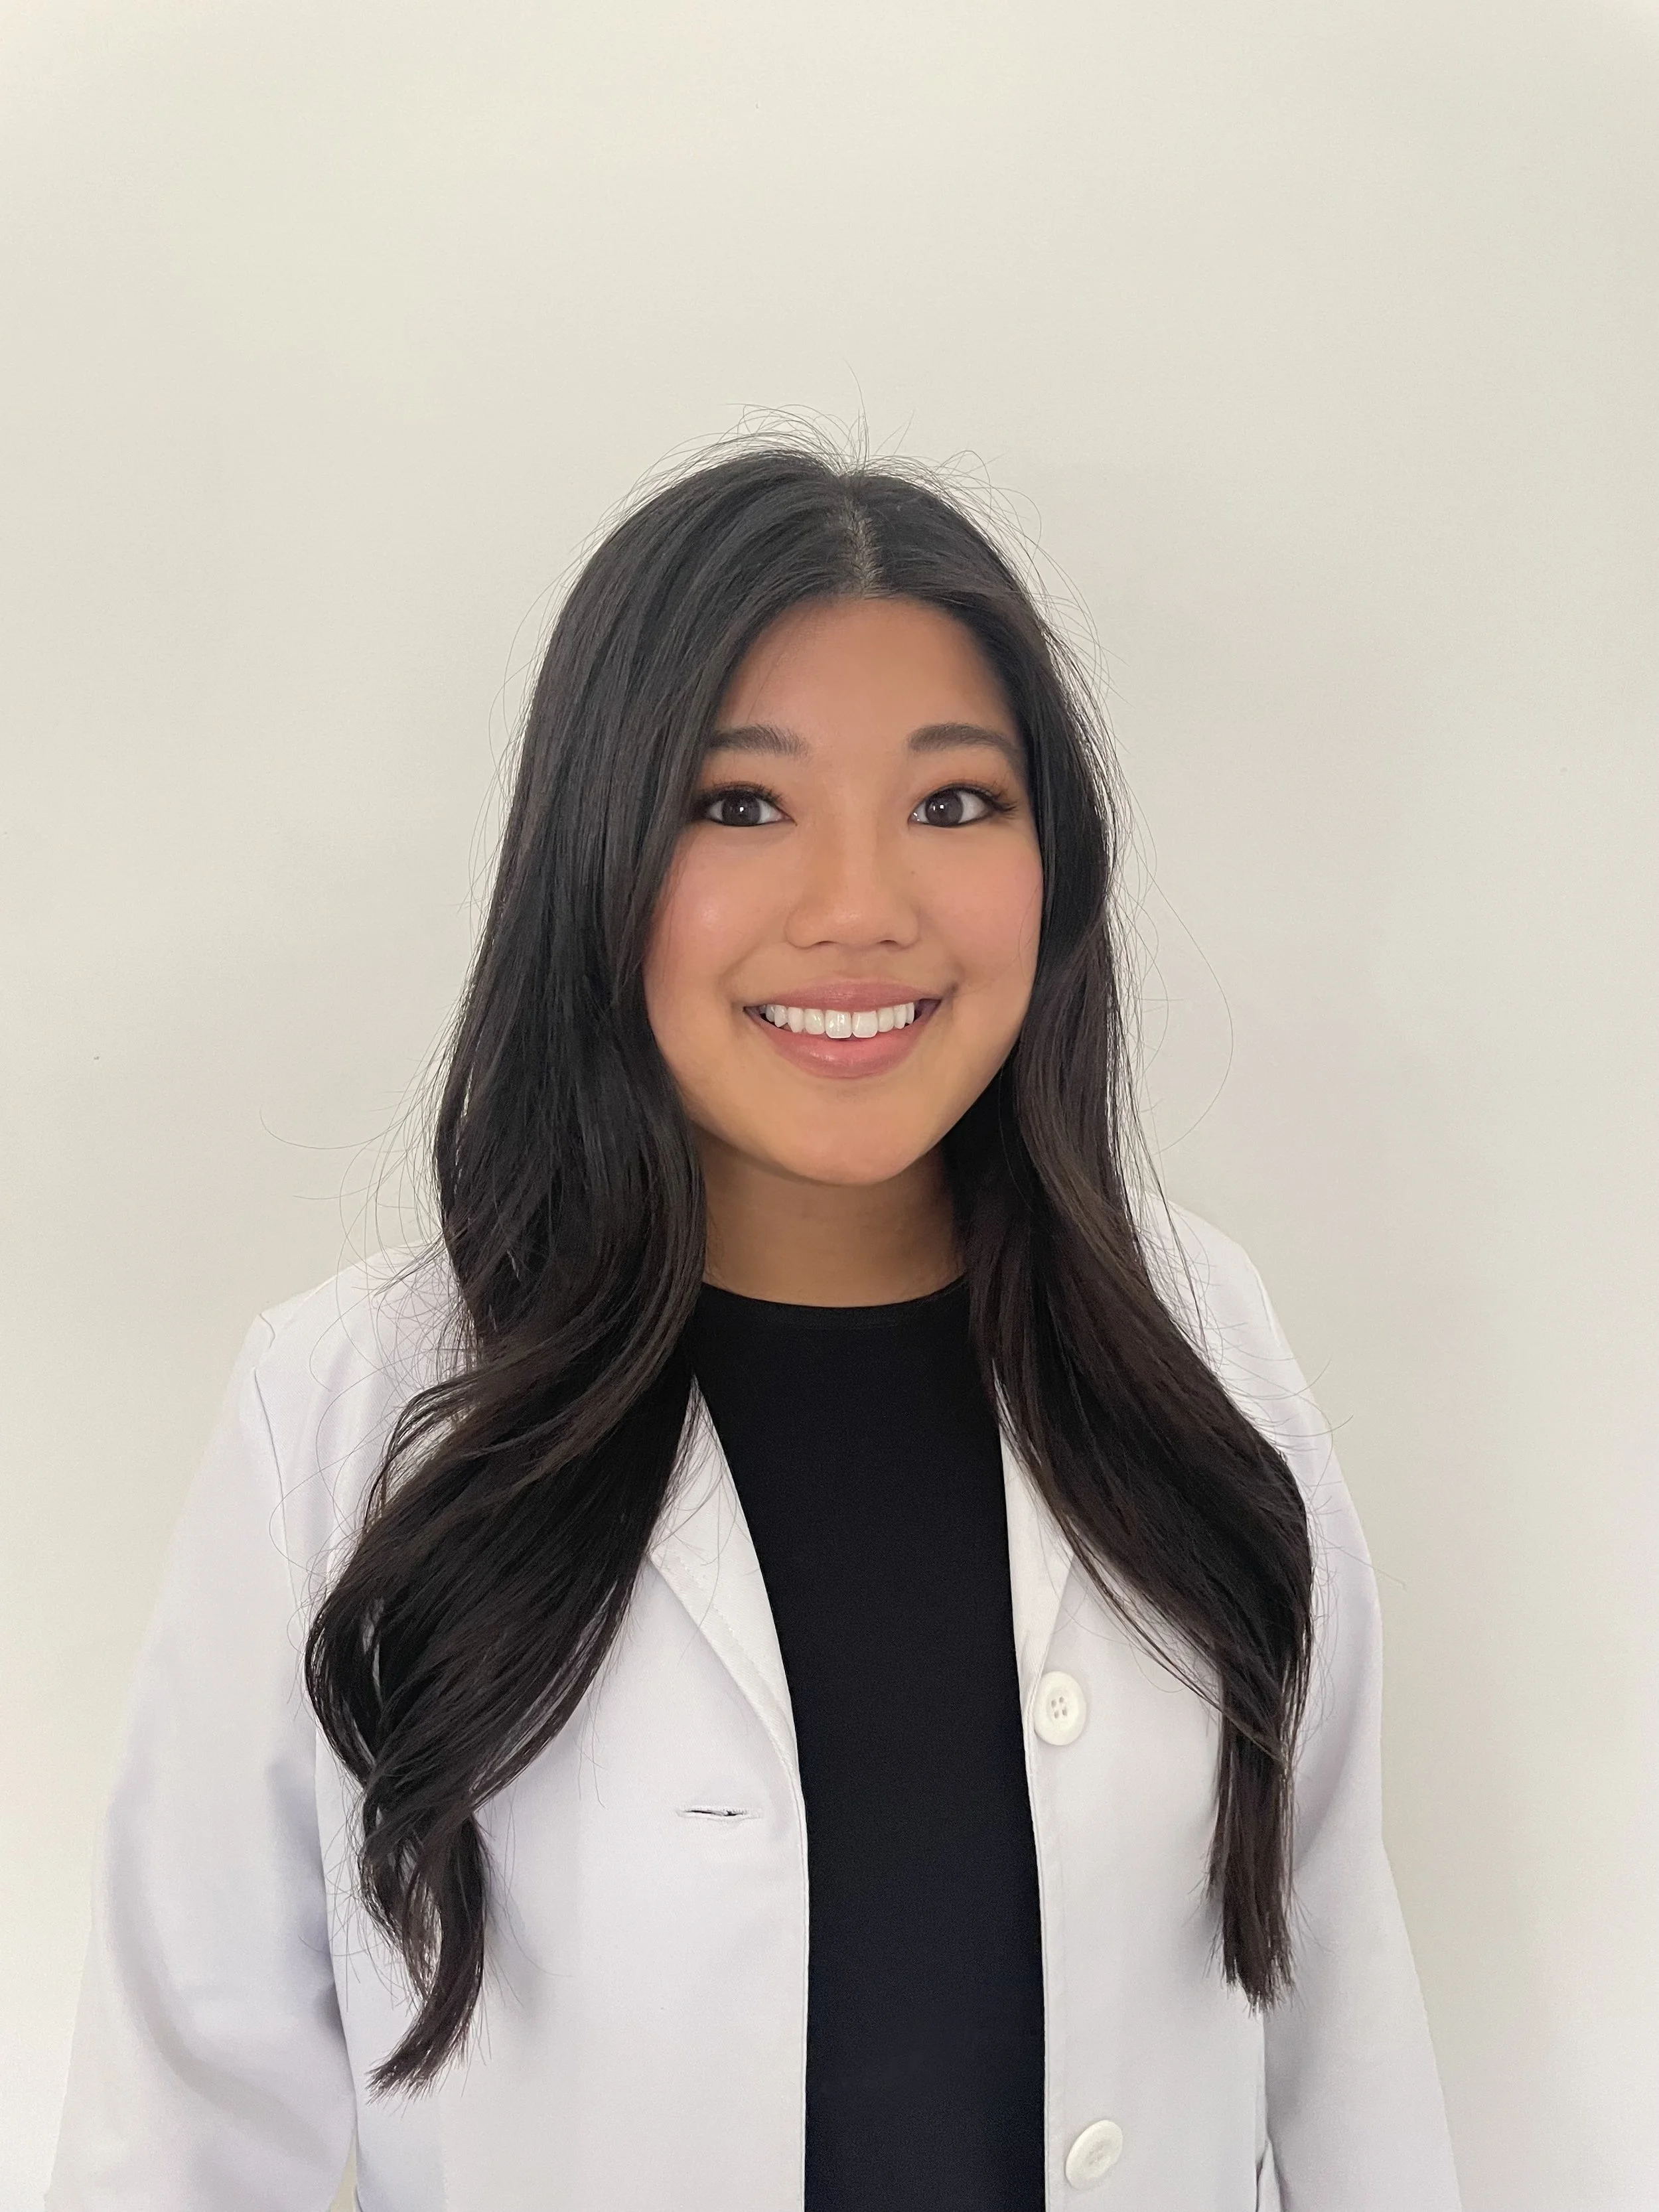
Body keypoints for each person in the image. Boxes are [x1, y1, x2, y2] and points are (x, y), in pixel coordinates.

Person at [48, 445, 1461, 2211]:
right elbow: (184, 2141)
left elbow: (1339, 2040)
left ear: (1052, 864)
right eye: (739, 803)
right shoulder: (349, 1415)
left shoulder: (1196, 1341)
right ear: (598, 857)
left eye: (953, 804)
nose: (859, 904)